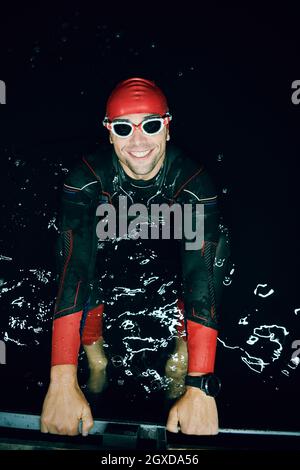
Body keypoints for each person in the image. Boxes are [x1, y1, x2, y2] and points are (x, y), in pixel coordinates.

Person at [41, 77, 228, 437]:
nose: (138, 141)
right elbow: (74, 272)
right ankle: (95, 356)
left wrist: (198, 384)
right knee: (71, 253)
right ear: (109, 133)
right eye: (124, 128)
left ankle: (180, 349)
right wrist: (62, 378)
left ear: (167, 129)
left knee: (217, 250)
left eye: (152, 125)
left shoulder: (193, 182)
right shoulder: (86, 180)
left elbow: (200, 279)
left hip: (173, 223)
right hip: (108, 222)